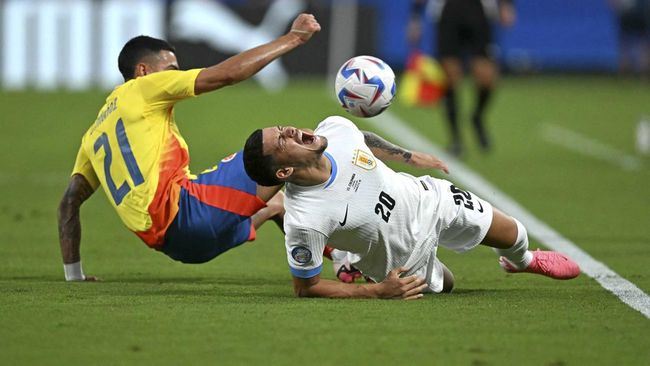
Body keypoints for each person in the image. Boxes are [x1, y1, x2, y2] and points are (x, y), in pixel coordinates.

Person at [57, 14, 321, 281]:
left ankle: (339, 260)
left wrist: (74, 276)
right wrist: (293, 38)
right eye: (171, 69)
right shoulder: (142, 88)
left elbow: (68, 203)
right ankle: (352, 243)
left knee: (275, 202)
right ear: (143, 71)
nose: (177, 75)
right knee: (282, 151)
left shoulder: (93, 135)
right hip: (187, 213)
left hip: (181, 247)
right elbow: (227, 75)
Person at [242, 116, 580, 299]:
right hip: (400, 258)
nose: (289, 130)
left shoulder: (336, 128)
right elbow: (306, 288)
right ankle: (351, 260)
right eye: (282, 140)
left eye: (282, 127)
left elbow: (362, 137)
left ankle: (524, 262)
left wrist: (408, 156)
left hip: (429, 199)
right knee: (446, 286)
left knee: (514, 233)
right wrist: (376, 291)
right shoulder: (305, 219)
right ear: (284, 172)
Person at [408, 0, 516, 156]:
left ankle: (477, 116)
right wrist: (415, 17)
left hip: (480, 10)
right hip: (448, 11)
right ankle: (456, 138)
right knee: (450, 77)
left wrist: (506, 5)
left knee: (487, 77)